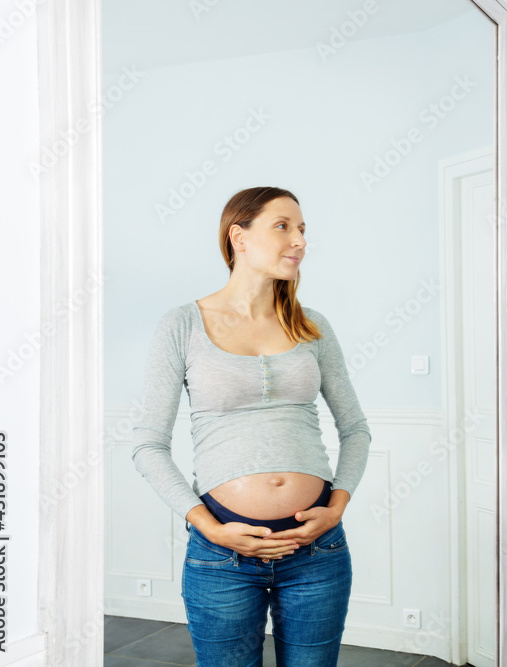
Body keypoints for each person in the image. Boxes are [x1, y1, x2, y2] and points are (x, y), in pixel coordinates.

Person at [131, 186, 371, 666]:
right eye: (283, 226)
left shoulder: (312, 325)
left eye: (302, 229)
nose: (299, 240)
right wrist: (209, 528)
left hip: (317, 551)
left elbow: (355, 429)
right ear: (238, 237)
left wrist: (336, 508)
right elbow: (147, 445)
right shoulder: (182, 324)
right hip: (223, 558)